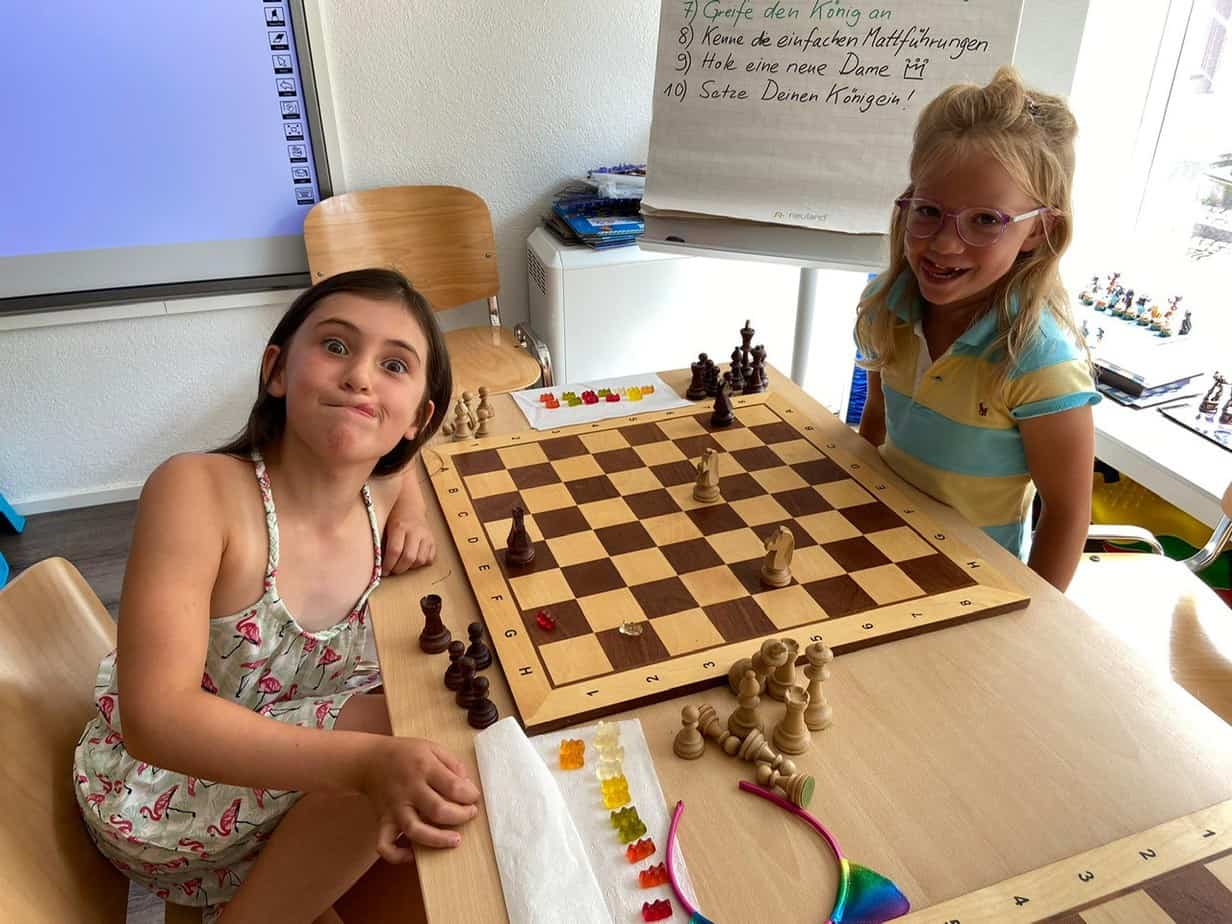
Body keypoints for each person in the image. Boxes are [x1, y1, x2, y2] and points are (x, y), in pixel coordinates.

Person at [73, 268, 480, 922]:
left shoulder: (378, 493)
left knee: (430, 734)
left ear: (417, 420)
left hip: (280, 735)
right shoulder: (197, 491)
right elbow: (157, 721)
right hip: (158, 795)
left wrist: (414, 517)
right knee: (409, 750)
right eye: (337, 347)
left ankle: (296, 877)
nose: (361, 378)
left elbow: (414, 473)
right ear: (278, 371)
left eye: (395, 366)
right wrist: (363, 766)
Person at [855, 66, 1099, 592]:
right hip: (879, 549)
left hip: (972, 585)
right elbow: (875, 422)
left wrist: (1031, 624)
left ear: (1040, 230)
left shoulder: (1040, 362)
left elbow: (1069, 512)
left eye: (986, 220)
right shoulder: (885, 308)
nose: (945, 244)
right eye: (929, 211)